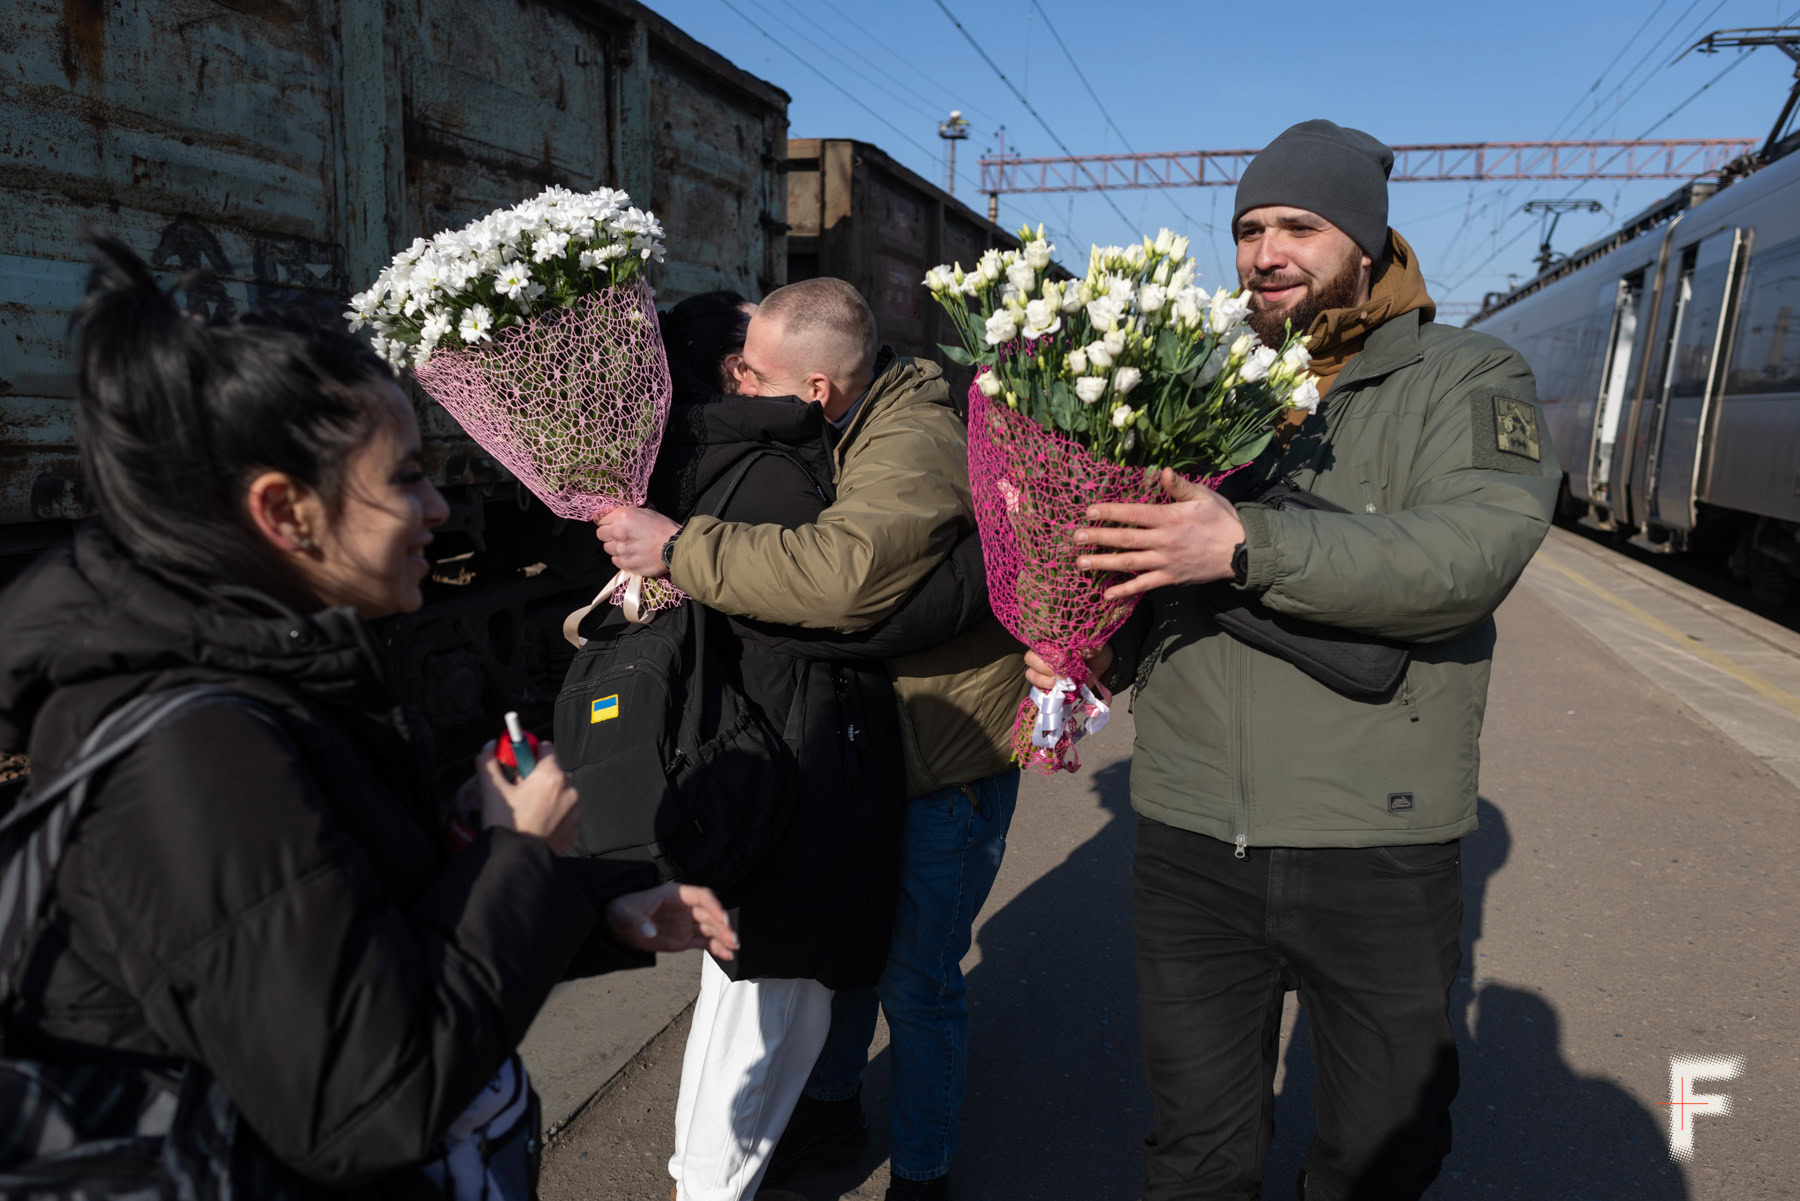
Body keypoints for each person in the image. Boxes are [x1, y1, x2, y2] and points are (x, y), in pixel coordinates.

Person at [0, 238, 736, 1198]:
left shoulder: (264, 673)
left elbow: (354, 946)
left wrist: (592, 910)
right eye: (404, 478)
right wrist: (518, 855)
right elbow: (368, 1098)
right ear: (284, 511)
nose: (438, 508)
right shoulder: (195, 752)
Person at [1029, 119, 1561, 1200]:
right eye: (1249, 228)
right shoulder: (1188, 375)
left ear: (1366, 242)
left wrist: (1245, 543)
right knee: (1195, 1155)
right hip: (1189, 841)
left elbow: (1471, 553)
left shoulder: (1467, 374)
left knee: (1382, 1152)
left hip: (1377, 838)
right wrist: (1084, 649)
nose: (1266, 252)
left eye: (1300, 227)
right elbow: (1148, 572)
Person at [598, 278, 1025, 1201]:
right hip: (883, 746)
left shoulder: (910, 439)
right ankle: (830, 1115)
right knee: (852, 954)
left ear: (817, 387)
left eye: (751, 374)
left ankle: (923, 1170)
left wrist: (678, 549)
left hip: (944, 759)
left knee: (917, 979)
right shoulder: (839, 423)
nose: (740, 384)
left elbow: (844, 578)